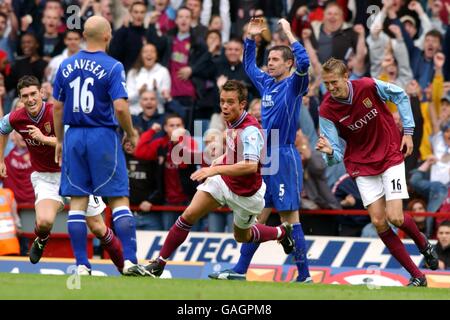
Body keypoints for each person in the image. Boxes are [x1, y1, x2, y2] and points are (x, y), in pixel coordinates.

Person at [143, 80, 294, 277]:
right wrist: (218, 161)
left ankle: (281, 233)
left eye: (230, 102)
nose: (224, 106)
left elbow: (249, 166)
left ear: (242, 104)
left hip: (247, 193)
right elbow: (233, 150)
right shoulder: (231, 121)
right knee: (188, 215)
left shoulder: (250, 131)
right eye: (222, 101)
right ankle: (159, 264)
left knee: (243, 236)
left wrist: (213, 170)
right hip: (223, 181)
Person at [315, 57, 439, 287]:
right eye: (327, 84)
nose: (331, 88)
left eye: (335, 82)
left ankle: (424, 245)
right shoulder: (326, 110)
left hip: (390, 154)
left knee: (396, 217)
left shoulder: (367, 85)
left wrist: (408, 132)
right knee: (379, 222)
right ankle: (417, 276)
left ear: (346, 77)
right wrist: (330, 151)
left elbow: (401, 95)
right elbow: (334, 159)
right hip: (362, 165)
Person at [209, 18, 311, 283]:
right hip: (264, 156)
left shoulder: (295, 85)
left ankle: (305, 276)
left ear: (288, 63)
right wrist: (250, 38)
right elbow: (248, 66)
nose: (271, 63)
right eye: (270, 58)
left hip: (284, 154)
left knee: (290, 217)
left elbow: (306, 63)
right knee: (257, 215)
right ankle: (241, 269)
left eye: (276, 59)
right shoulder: (267, 83)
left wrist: (289, 32)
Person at [52, 16, 149, 276]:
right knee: (118, 198)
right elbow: (120, 106)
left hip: (74, 136)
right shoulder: (113, 66)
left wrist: (60, 139)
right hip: (102, 135)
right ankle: (129, 261)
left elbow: (58, 107)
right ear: (107, 35)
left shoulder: (65, 64)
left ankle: (82, 265)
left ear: (84, 35)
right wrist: (130, 132)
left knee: (77, 203)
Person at [0, 75, 123, 275]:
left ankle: (124, 266)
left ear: (42, 93)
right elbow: (2, 129)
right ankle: (42, 239)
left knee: (99, 229)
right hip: (45, 177)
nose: (30, 99)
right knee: (44, 222)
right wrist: (0, 159)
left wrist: (44, 138)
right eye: (25, 96)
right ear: (20, 99)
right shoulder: (16, 117)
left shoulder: (57, 113)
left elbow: (72, 145)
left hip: (75, 173)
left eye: (33, 94)